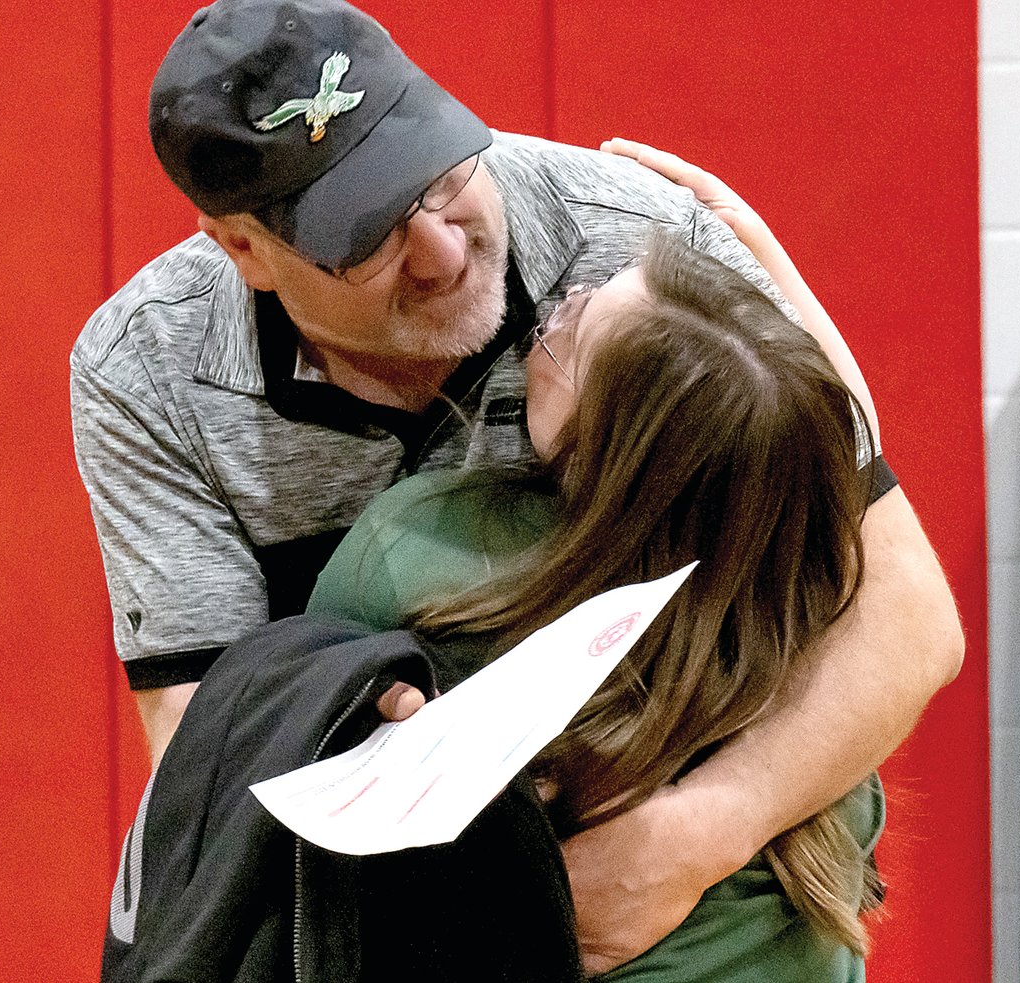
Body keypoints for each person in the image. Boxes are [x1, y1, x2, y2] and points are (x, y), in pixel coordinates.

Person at [71, 0, 963, 970]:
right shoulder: (147, 368)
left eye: (445, 176)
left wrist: (702, 830)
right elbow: (215, 765)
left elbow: (909, 615)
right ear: (243, 248)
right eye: (363, 236)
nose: (445, 253)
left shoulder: (640, 240)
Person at [307, 226, 884, 980]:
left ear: (605, 458)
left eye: (565, 336)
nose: (558, 303)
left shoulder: (416, 549)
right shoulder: (830, 686)